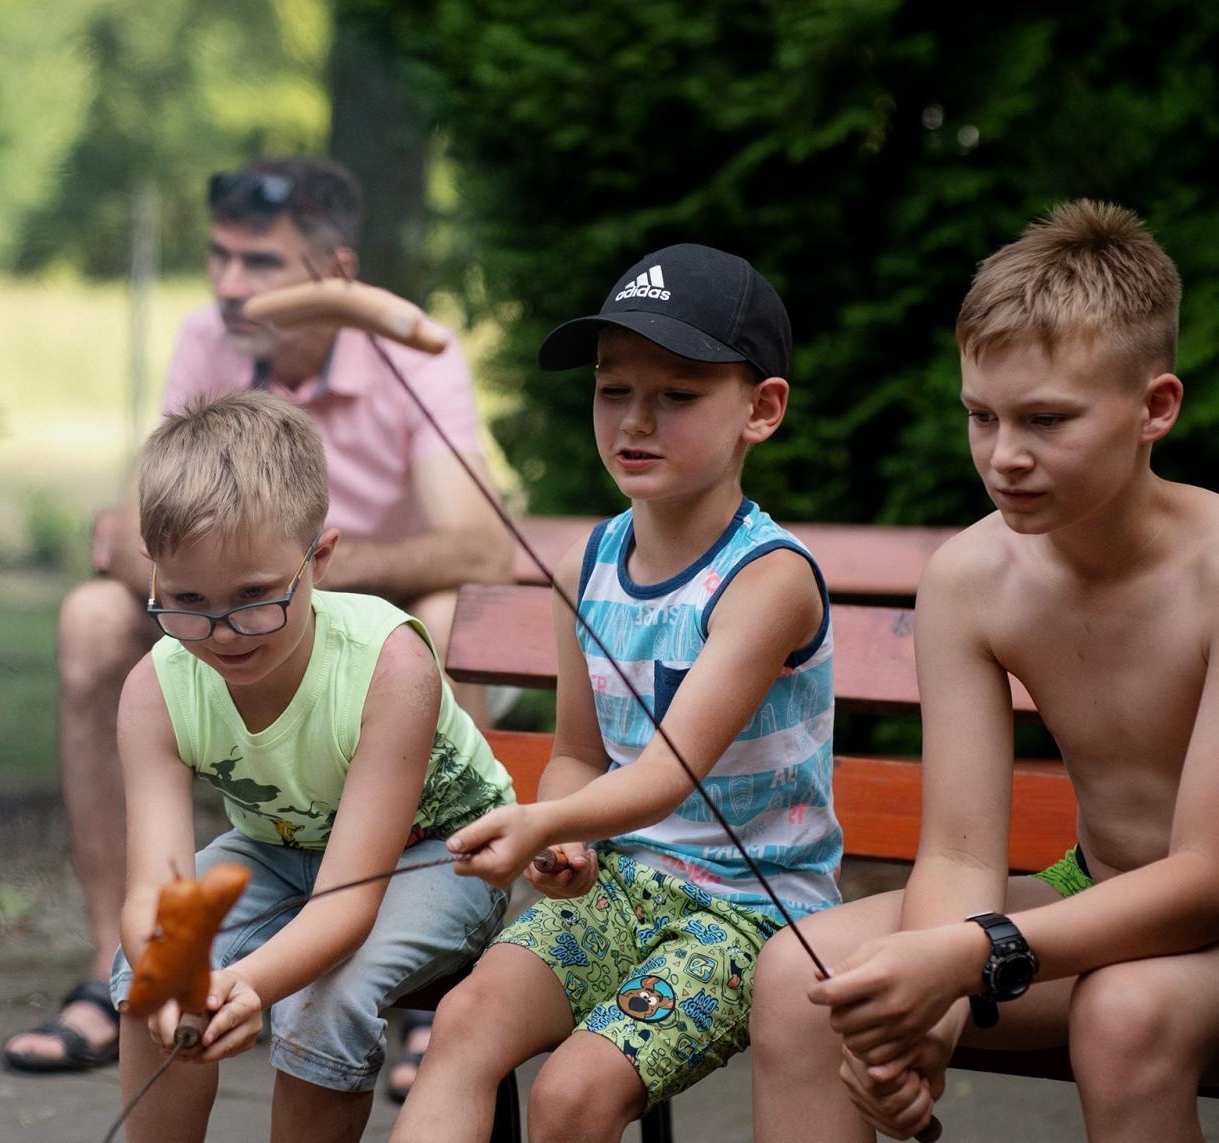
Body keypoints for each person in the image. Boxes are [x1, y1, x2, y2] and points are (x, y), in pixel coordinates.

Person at [0, 157, 512, 1072]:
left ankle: (433, 985)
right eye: (219, 257)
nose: (231, 285)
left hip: (366, 633)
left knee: (447, 612)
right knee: (91, 619)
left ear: (336, 272)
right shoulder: (211, 336)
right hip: (243, 616)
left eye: (261, 263)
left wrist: (305, 576)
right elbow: (135, 540)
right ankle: (121, 962)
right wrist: (224, 582)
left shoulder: (410, 347)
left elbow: (480, 551)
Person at [749, 199, 1219, 1143]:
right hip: (1093, 899)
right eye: (981, 416)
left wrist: (970, 959)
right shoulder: (972, 577)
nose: (1005, 457)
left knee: (1125, 1012)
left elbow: (1206, 876)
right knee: (810, 974)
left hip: (1193, 921)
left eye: (1047, 419)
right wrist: (931, 1009)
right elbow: (962, 856)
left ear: (1155, 407)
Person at [392, 243, 842, 1141]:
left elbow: (669, 773)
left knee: (571, 1092)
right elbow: (578, 754)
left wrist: (542, 822)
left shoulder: (768, 580)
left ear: (762, 409)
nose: (635, 420)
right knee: (463, 1021)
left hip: (751, 915)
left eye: (677, 395)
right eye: (612, 389)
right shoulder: (585, 566)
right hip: (621, 888)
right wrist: (568, 839)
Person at [108, 389, 514, 1142]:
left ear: (319, 559)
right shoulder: (155, 689)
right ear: (153, 573)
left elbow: (347, 904)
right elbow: (153, 893)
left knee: (323, 1000)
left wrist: (245, 984)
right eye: (188, 599)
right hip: (278, 849)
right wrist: (175, 974)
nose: (224, 632)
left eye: (255, 596)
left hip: (436, 857)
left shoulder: (388, 666)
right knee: (146, 977)